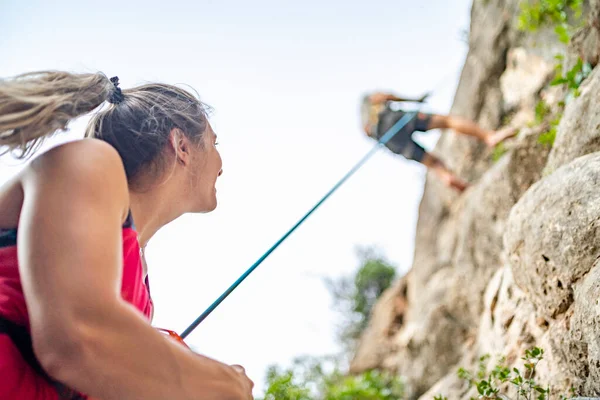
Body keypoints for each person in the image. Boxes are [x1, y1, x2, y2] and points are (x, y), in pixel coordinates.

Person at [0, 71, 254, 399]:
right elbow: (79, 340)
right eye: (214, 143)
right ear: (181, 146)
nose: (221, 163)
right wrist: (223, 384)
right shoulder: (91, 163)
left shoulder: (139, 288)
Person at [361, 91, 517, 191]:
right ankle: (488, 136)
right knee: (447, 122)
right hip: (394, 120)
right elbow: (386, 96)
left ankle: (447, 177)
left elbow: (367, 133)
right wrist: (415, 99)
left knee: (433, 163)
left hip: (392, 142)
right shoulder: (367, 100)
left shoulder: (365, 123)